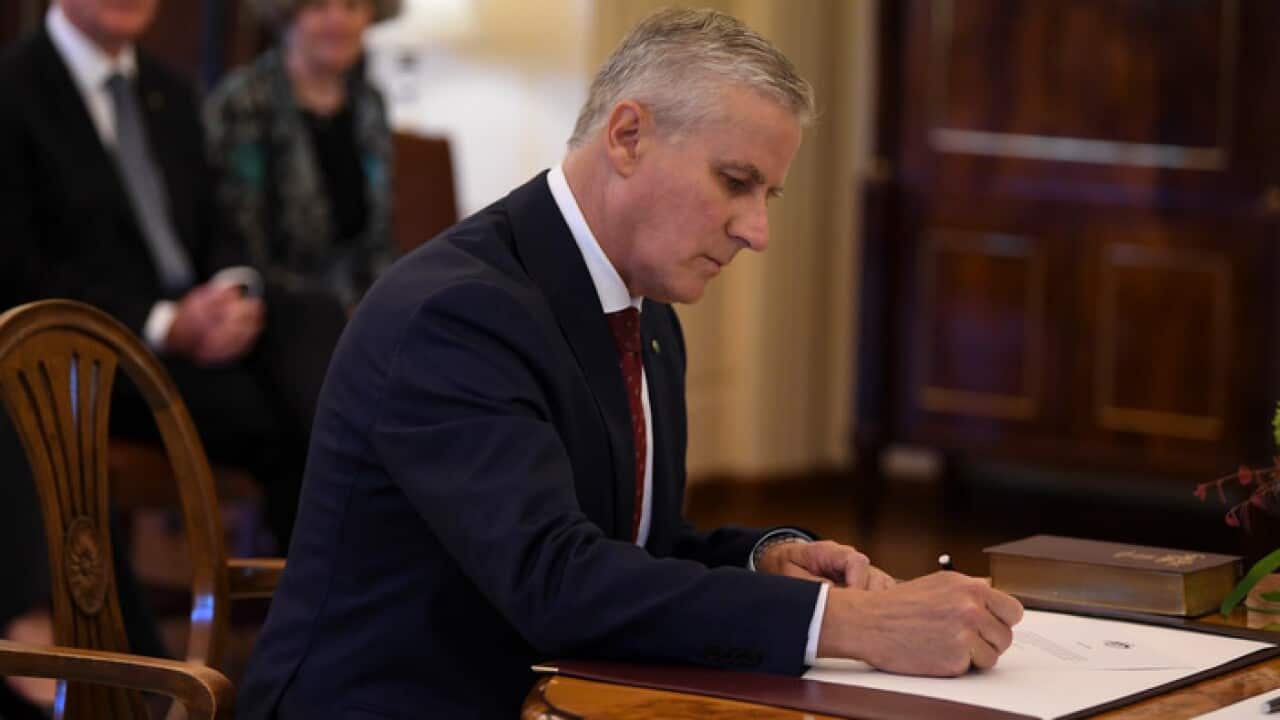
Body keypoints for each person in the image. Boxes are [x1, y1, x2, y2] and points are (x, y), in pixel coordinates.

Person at [236, 8, 1025, 718]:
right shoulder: (456, 313)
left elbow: (632, 552)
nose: (756, 232)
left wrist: (764, 561)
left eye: (768, 197)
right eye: (736, 183)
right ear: (627, 136)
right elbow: (556, 582)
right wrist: (852, 624)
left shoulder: (644, 314)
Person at [0, 0, 344, 706]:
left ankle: (328, 616)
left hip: (193, 350)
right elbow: (19, 271)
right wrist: (164, 323)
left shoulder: (171, 89)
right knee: (292, 416)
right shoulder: (14, 88)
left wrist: (230, 296)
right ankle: (150, 672)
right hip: (92, 350)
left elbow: (218, 229)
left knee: (313, 324)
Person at [205, 0, 397, 311]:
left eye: (352, 6)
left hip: (364, 308)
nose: (338, 21)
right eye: (319, 6)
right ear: (287, 14)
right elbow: (243, 246)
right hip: (277, 311)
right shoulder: (244, 102)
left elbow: (379, 243)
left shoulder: (370, 104)